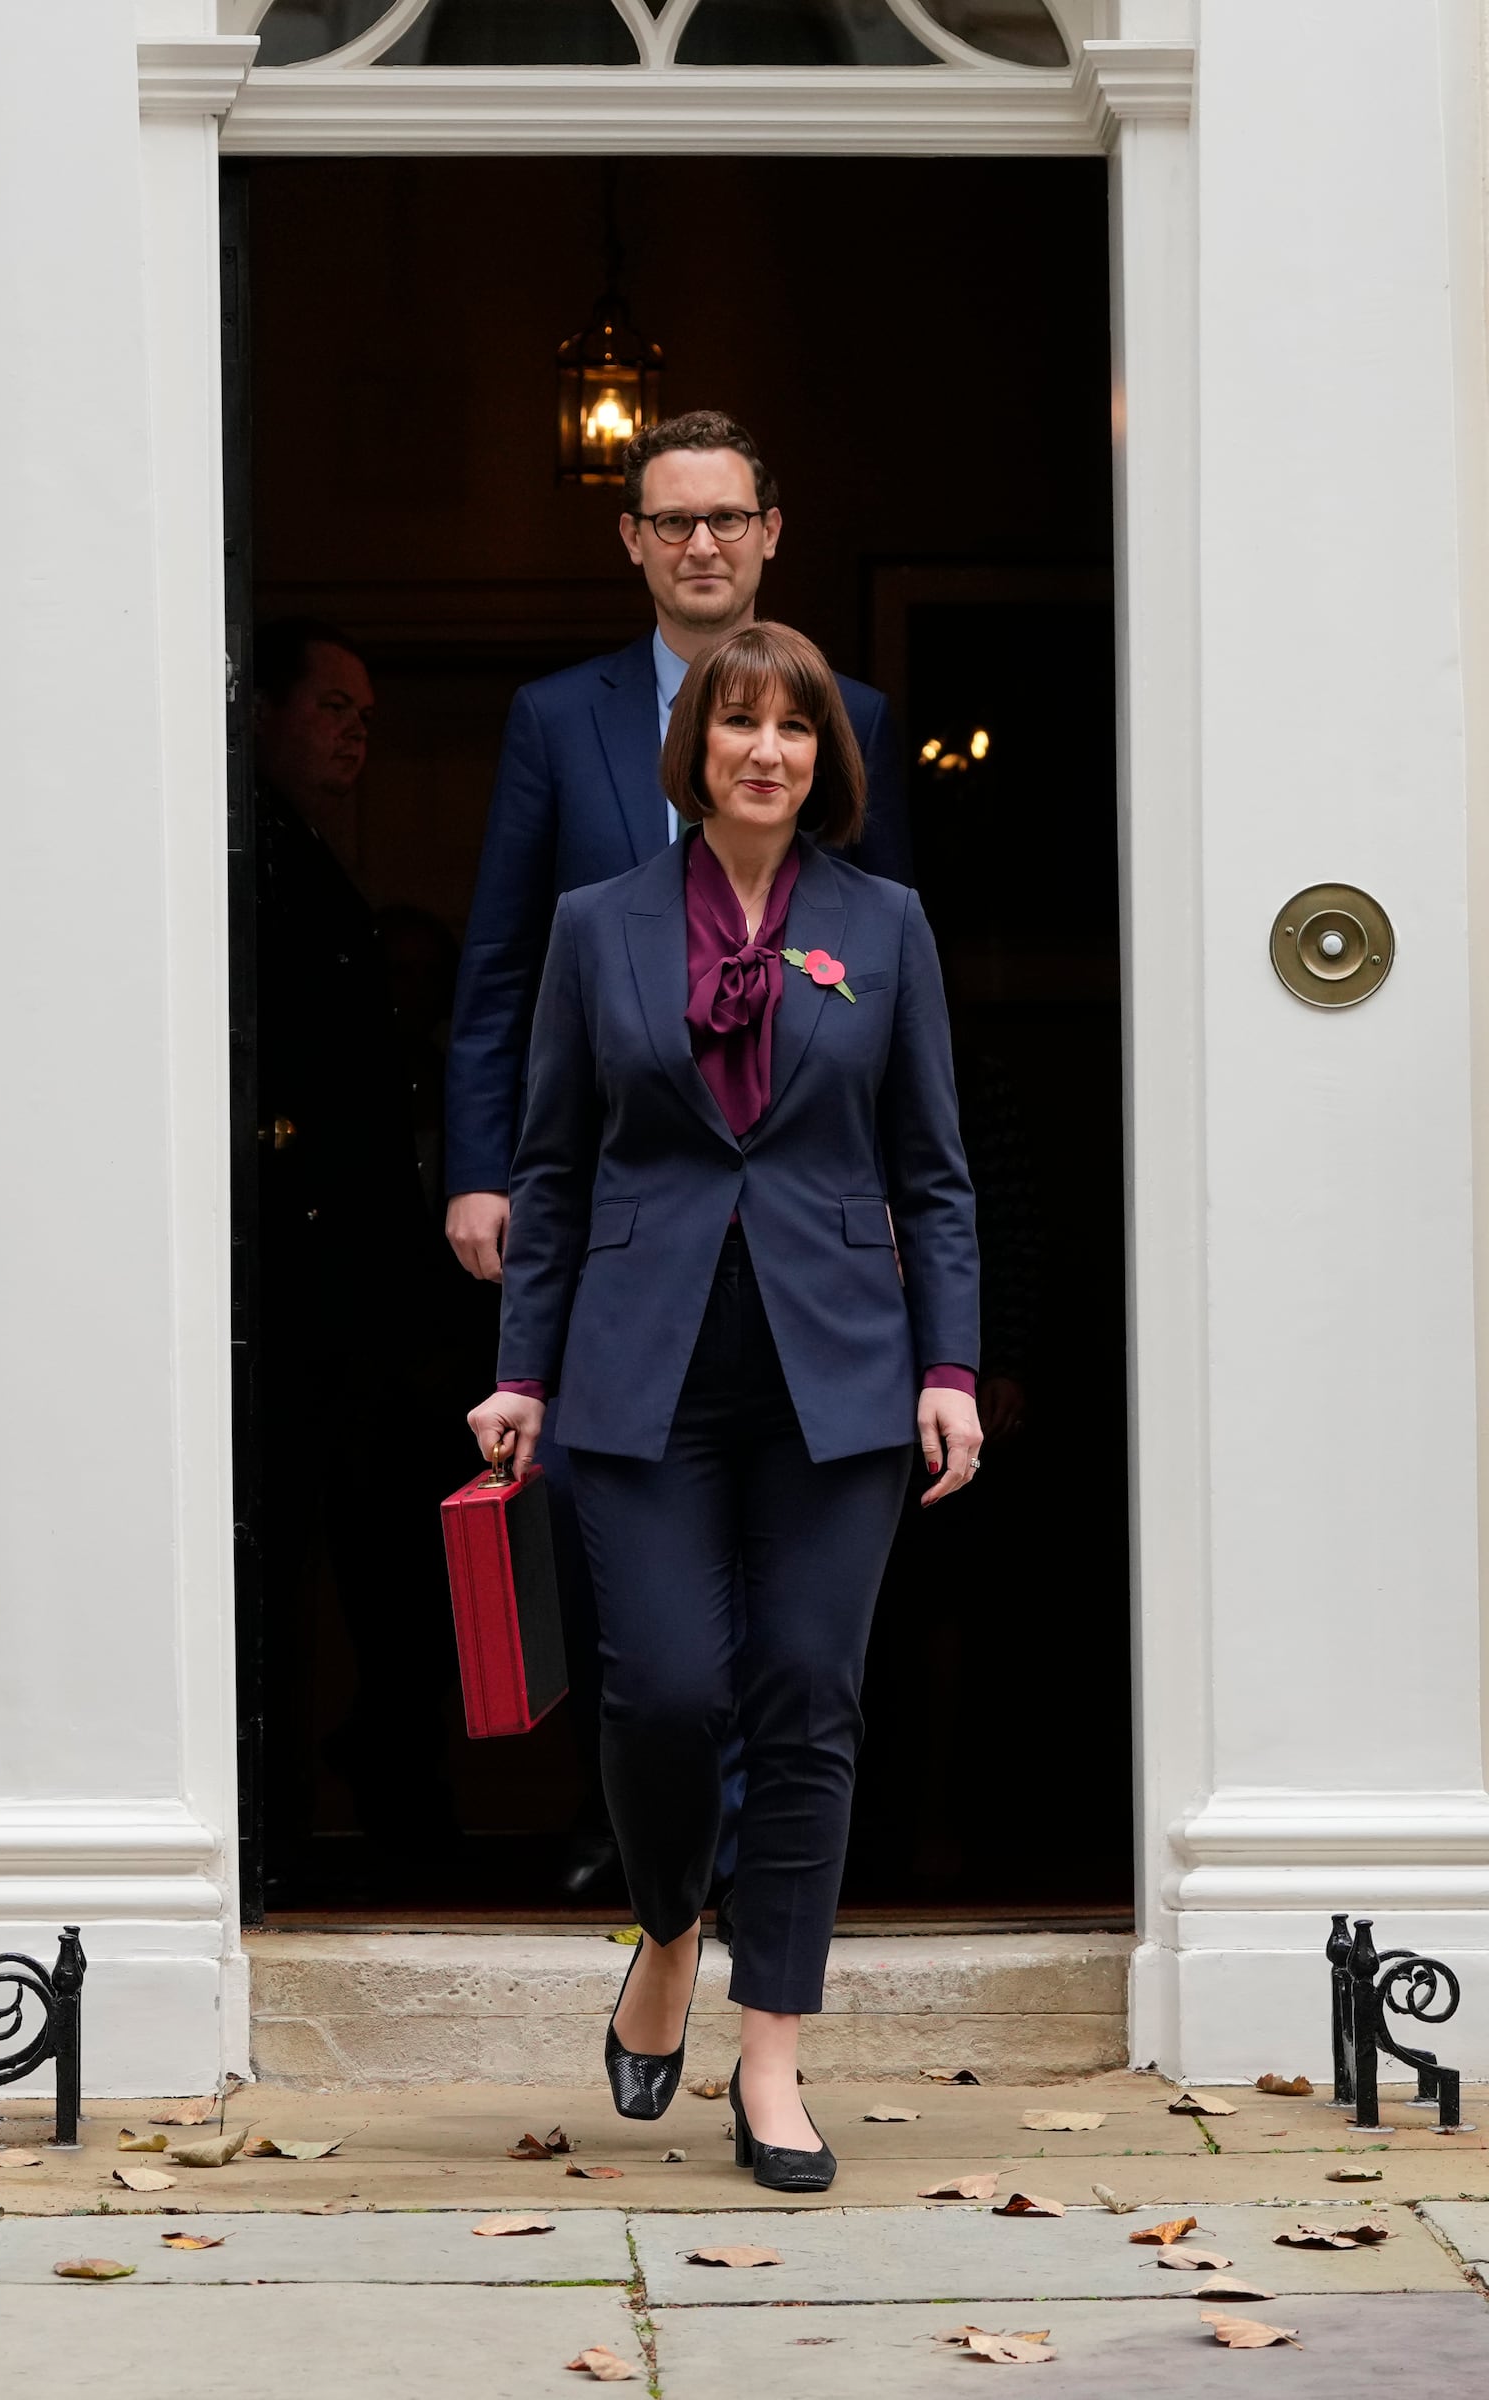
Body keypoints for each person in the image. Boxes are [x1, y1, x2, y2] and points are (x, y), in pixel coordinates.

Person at [466, 623, 980, 2191]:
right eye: (737, 725)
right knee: (669, 1696)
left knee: (809, 1699)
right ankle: (671, 1923)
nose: (766, 751)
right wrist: (522, 1368)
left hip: (838, 1372)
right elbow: (551, 1170)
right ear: (693, 754)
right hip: (640, 1369)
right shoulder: (595, 923)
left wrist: (948, 1366)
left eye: (796, 731)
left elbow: (932, 1174)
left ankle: (771, 2060)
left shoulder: (883, 925)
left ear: (829, 762)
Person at [446, 409, 914, 1903]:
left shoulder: (863, 718)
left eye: (727, 518)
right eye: (672, 521)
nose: (701, 543)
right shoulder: (553, 717)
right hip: (616, 1199)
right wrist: (482, 1169)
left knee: (799, 1596)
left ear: (772, 530)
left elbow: (895, 980)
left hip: (801, 1217)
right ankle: (656, 1843)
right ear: (633, 541)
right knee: (624, 1540)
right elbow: (505, 963)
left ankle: (756, 1861)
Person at [254, 619, 456, 1877]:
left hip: (369, 1294)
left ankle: (399, 1817)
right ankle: (283, 1832)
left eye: (367, 716)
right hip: (301, 1287)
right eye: (332, 706)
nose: (355, 734)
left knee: (393, 1569)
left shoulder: (307, 859)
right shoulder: (252, 859)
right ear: (261, 712)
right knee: (287, 1568)